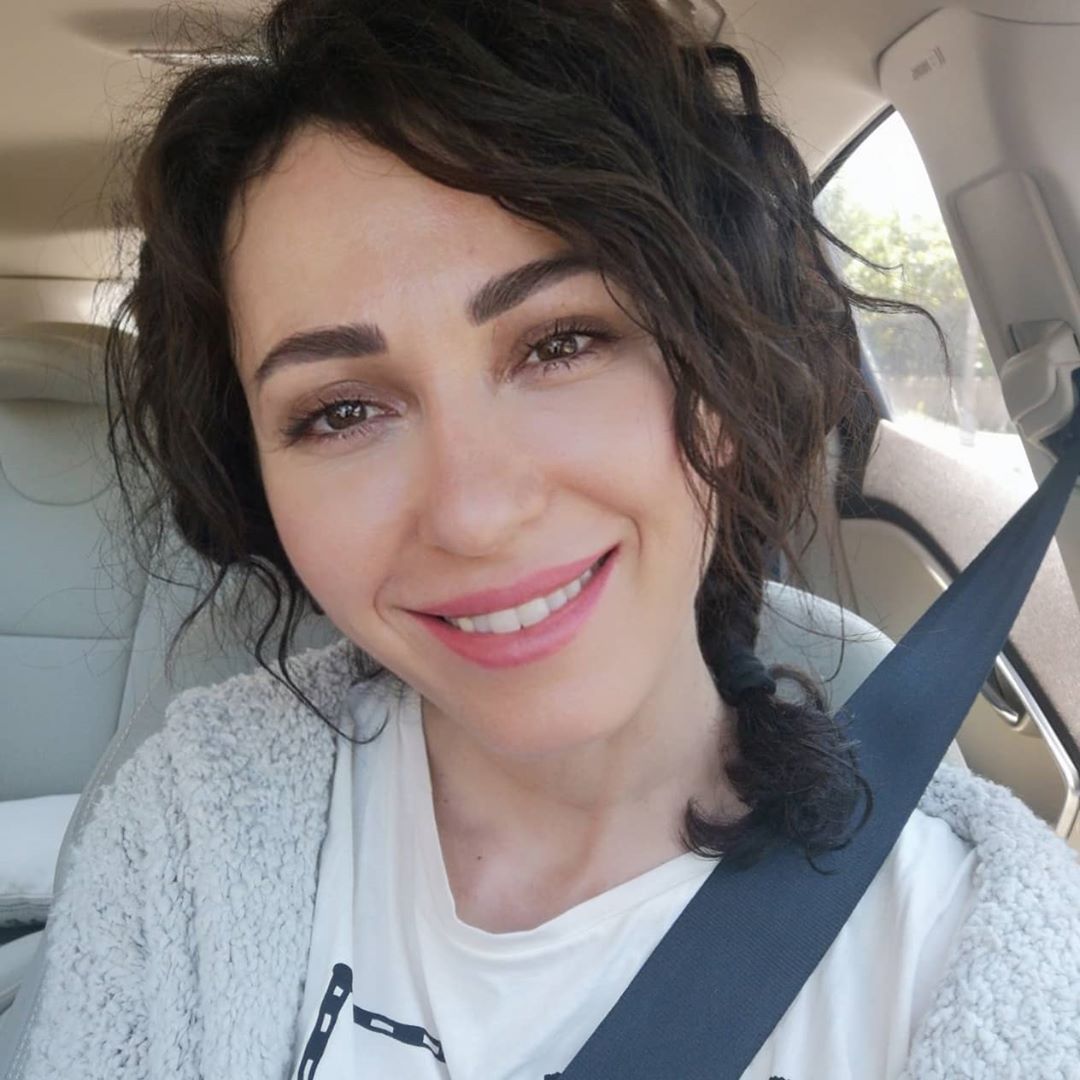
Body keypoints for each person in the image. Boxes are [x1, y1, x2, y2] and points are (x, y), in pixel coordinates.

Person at [13, 1, 1080, 1077]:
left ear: (721, 382)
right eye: (342, 412)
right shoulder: (184, 828)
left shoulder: (975, 950)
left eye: (563, 343)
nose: (474, 514)